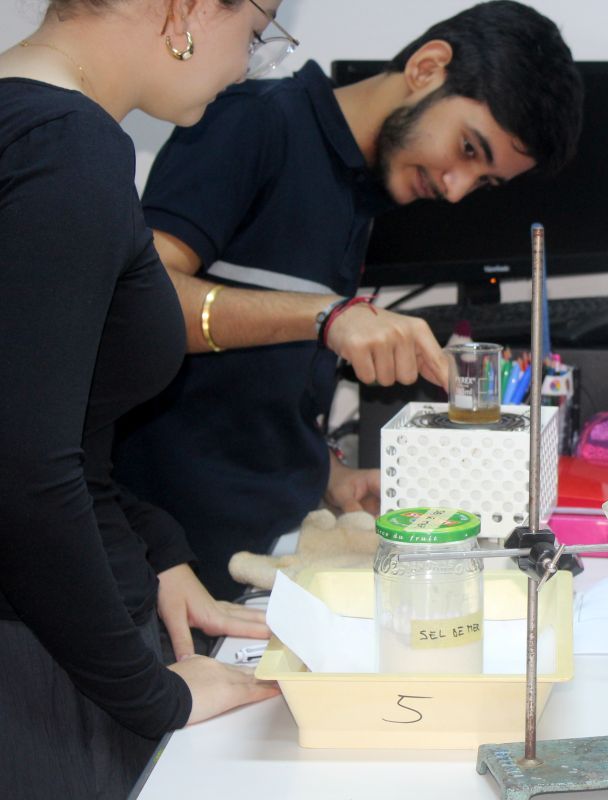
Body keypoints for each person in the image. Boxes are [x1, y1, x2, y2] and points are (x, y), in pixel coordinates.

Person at [113, 0, 585, 599]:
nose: (456, 190)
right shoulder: (252, 124)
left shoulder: (361, 188)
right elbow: (135, 301)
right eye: (469, 149)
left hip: (276, 545)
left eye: (484, 182)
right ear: (427, 67)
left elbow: (252, 384)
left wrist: (329, 475)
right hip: (178, 562)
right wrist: (332, 317)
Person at [0, 1, 287, 796]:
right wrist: (154, 695)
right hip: (44, 673)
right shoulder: (68, 146)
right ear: (186, 10)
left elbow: (54, 420)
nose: (245, 66)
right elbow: (24, 467)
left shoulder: (31, 131)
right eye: (255, 33)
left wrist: (152, 548)